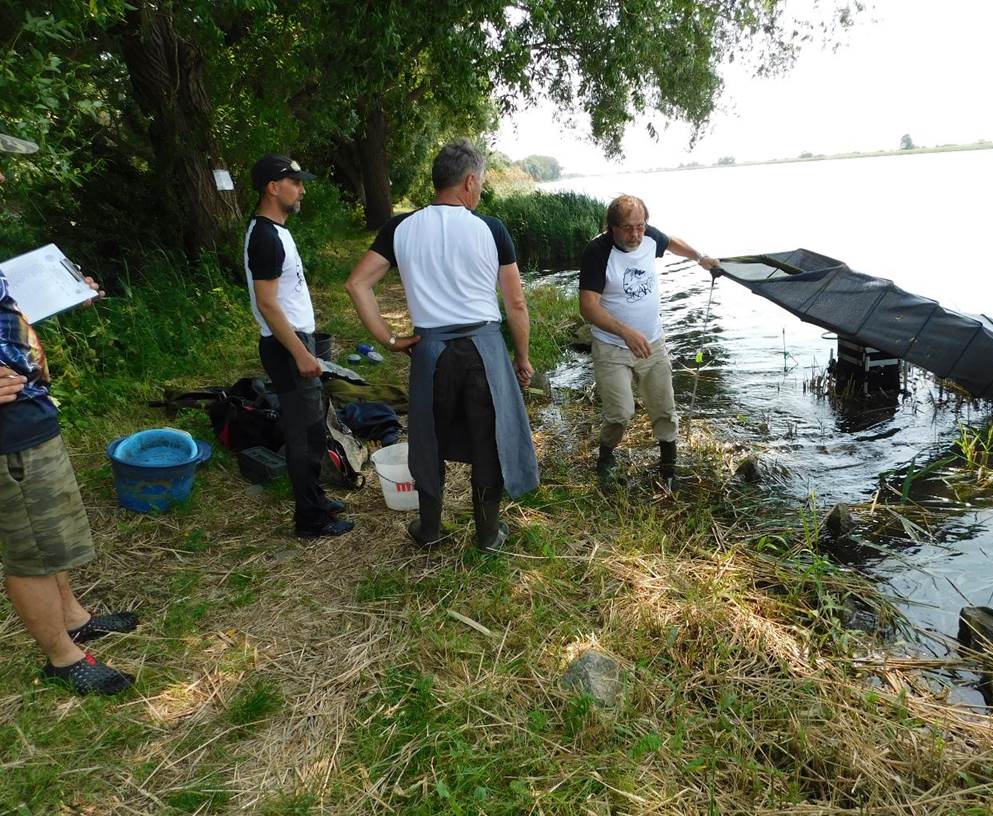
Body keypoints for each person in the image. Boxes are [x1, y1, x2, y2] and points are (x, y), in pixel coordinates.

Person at [345, 139, 538, 551]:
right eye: (480, 183)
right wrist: (521, 357)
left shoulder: (400, 227)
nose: (480, 191)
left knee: (428, 439)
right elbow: (516, 303)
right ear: (469, 182)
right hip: (484, 352)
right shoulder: (491, 228)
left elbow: (357, 283)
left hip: (430, 353)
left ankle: (429, 531)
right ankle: (488, 535)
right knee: (490, 438)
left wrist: (390, 339)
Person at [1, 131, 139, 695]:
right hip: (7, 432)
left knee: (49, 533)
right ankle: (62, 658)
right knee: (29, 548)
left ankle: (75, 618)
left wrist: (56, 291)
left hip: (30, 413)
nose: (4, 177)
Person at [578, 194, 719, 488]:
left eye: (641, 226)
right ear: (611, 227)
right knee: (620, 413)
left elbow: (671, 242)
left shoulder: (649, 237)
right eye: (628, 228)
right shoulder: (597, 251)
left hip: (652, 342)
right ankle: (606, 456)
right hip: (612, 345)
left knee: (664, 408)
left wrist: (699, 257)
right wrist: (625, 331)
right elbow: (588, 307)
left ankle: (668, 470)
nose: (636, 235)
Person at [245, 154, 352, 539]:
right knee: (303, 436)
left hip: (295, 344)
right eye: (295, 182)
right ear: (274, 187)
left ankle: (317, 500)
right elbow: (267, 303)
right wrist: (302, 353)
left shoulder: (277, 231)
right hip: (286, 347)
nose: (302, 189)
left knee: (312, 429)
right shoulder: (265, 238)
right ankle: (310, 520)